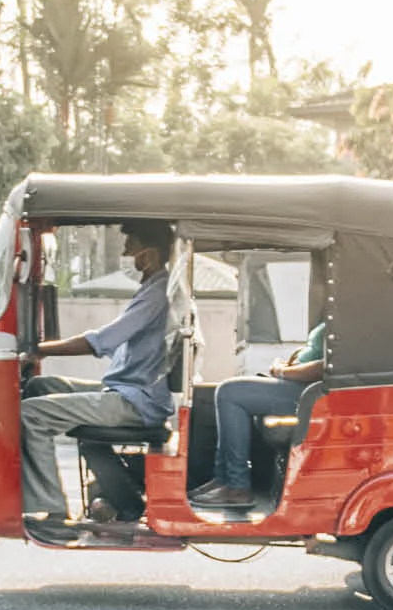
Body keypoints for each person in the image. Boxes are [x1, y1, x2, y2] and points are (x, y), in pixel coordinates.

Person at [21, 220, 174, 524]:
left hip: (136, 401)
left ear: (150, 254)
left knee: (30, 414)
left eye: (130, 248)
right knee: (40, 387)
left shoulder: (158, 294)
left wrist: (40, 349)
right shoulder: (152, 288)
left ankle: (52, 511)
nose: (126, 255)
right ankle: (123, 500)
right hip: (126, 390)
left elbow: (102, 341)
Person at [192, 319, 325, 510]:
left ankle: (237, 487)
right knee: (226, 392)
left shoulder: (348, 319)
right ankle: (224, 479)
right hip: (300, 387)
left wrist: (283, 372)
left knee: (230, 392)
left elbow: (324, 367)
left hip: (308, 394)